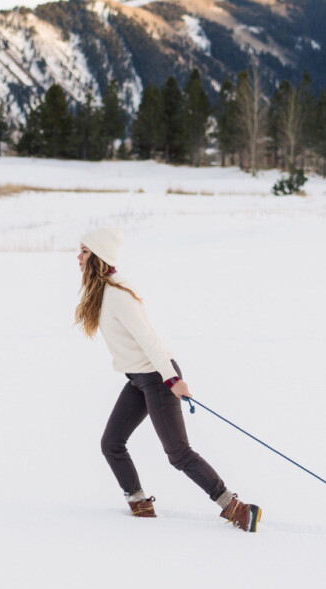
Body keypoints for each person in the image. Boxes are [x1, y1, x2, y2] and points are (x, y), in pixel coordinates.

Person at [75, 227, 260, 531]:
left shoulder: (119, 295)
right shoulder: (103, 290)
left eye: (83, 251)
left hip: (157, 377)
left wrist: (173, 380)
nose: (78, 257)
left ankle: (236, 509)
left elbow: (150, 341)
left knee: (178, 453)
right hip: (137, 378)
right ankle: (140, 506)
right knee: (112, 443)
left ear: (98, 256)